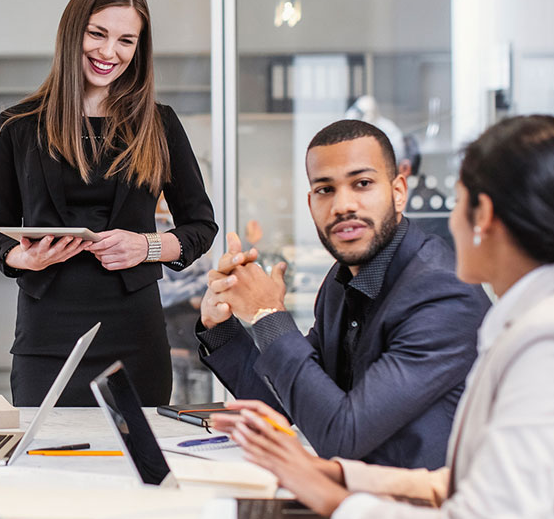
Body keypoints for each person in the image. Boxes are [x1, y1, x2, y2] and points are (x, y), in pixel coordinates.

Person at [223, 114, 554, 519]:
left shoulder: (549, 339)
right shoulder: (533, 323)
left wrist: (338, 503)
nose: (344, 204)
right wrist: (338, 477)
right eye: (326, 189)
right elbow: (475, 479)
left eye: (457, 202)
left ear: (484, 214)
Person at [197, 120, 490, 468]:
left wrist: (267, 315)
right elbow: (285, 405)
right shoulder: (340, 282)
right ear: (310, 204)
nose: (342, 205)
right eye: (325, 190)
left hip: (427, 512)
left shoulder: (442, 293)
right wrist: (221, 325)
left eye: (362, 184)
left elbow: (343, 436)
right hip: (359, 500)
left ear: (399, 191)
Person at [0, 0, 217, 407]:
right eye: (98, 33)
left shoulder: (160, 125)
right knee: (47, 466)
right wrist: (23, 257)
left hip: (134, 333)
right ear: (74, 32)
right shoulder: (18, 126)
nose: (110, 52)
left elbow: (201, 226)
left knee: (135, 465)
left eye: (126, 41)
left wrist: (146, 246)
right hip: (47, 334)